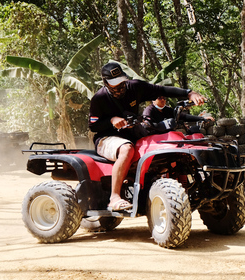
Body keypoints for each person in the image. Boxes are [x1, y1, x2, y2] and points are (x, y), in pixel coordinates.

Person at [89, 62, 206, 211]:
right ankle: (114, 197)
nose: (119, 86)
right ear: (105, 83)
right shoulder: (99, 98)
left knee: (164, 143)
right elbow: (93, 126)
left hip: (133, 134)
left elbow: (161, 89)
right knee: (126, 149)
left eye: (121, 81)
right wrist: (112, 120)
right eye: (114, 84)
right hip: (107, 138)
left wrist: (189, 93)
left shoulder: (134, 87)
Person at [143, 96, 214, 132]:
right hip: (156, 139)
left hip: (170, 136)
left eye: (164, 98)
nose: (163, 100)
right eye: (160, 98)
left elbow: (183, 116)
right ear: (153, 100)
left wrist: (202, 118)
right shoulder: (149, 110)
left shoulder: (167, 109)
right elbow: (147, 124)